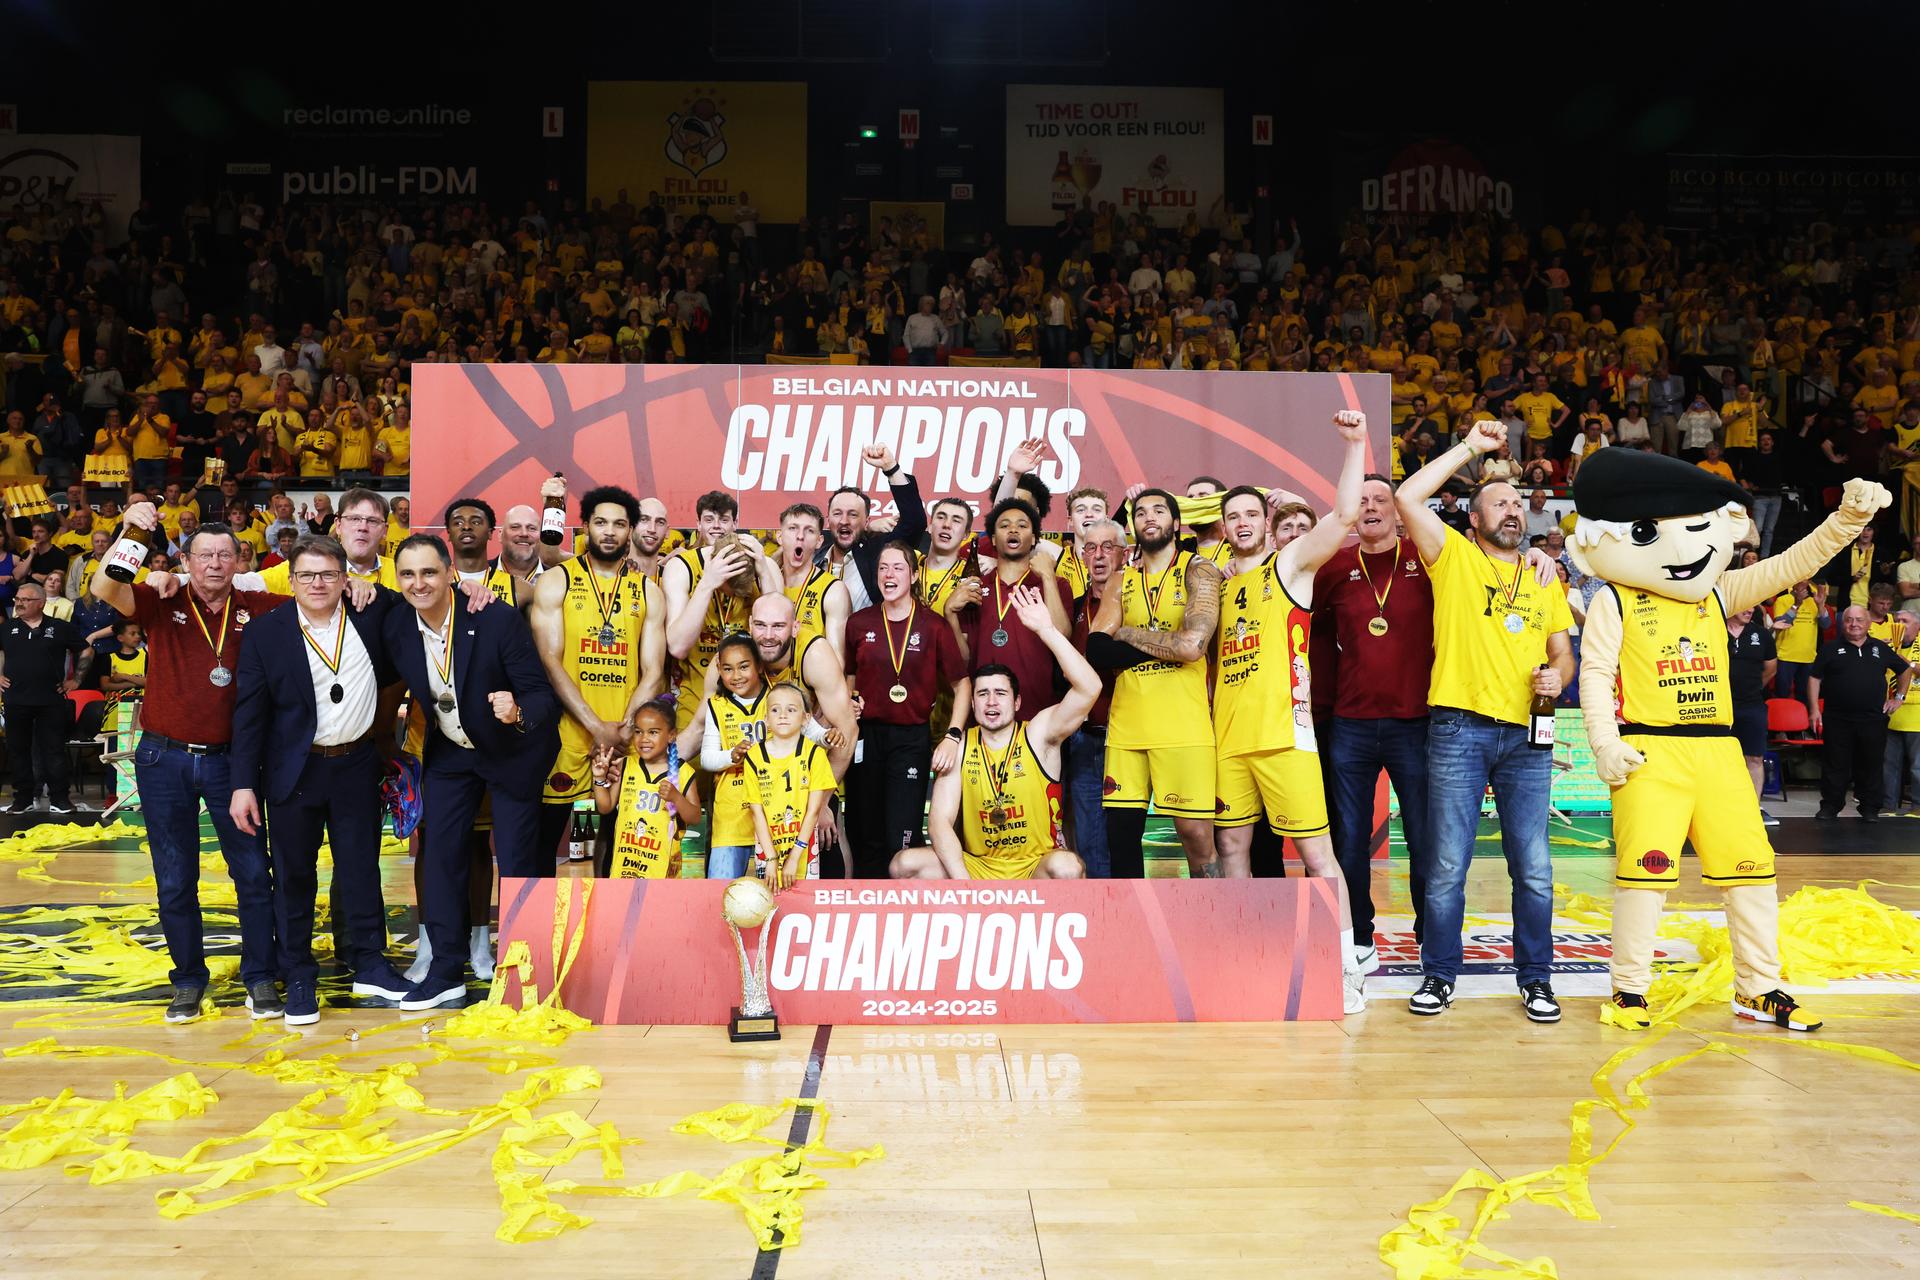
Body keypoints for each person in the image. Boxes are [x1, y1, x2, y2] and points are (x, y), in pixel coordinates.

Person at [1573, 459, 1892, 1035]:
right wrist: (1604, 741)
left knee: (1752, 877)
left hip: (1719, 750)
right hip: (1652, 751)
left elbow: (1795, 561)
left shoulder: (1720, 591)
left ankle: (1759, 989)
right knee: (1644, 880)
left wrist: (1847, 520)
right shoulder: (1614, 600)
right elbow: (1595, 674)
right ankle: (1628, 988)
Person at [1395, 419, 1576, 1023]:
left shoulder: (1544, 575)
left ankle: (1537, 979)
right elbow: (1406, 498)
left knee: (1534, 867)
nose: (1512, 510)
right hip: (1459, 728)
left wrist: (1558, 677)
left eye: (1517, 504)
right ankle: (1439, 975)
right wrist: (1473, 449)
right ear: (1473, 519)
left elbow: (1561, 652)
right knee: (1448, 863)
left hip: (1529, 734)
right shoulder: (1454, 557)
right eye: (1498, 502)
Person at [90, 504, 291, 1023]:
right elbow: (103, 591)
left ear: (239, 559)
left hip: (234, 766)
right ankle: (187, 980)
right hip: (164, 757)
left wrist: (357, 587)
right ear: (188, 559)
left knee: (252, 872)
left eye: (226, 554)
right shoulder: (162, 599)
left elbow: (320, 599)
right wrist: (132, 535)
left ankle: (261, 977)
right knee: (175, 877)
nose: (215, 564)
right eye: (205, 555)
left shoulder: (258, 605)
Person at [1211, 414, 1369, 1011]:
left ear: (1268, 525)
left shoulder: (1290, 568)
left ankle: (1347, 962)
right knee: (1233, 851)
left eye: (1254, 514)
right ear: (1225, 528)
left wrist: (1354, 445)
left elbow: (1345, 517)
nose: (1244, 522)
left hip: (1286, 737)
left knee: (1316, 856)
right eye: (1235, 516)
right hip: (1230, 742)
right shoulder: (1218, 586)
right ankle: (1249, 956)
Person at [228, 535, 412, 1025]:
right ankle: (300, 972)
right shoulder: (267, 633)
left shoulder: (369, 615)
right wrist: (242, 784)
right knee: (294, 878)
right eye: (307, 574)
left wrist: (376, 589)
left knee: (360, 871)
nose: (317, 583)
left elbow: (414, 600)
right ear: (290, 581)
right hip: (295, 770)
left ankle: (371, 962)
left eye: (328, 574)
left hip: (355, 765)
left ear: (344, 577)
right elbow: (249, 716)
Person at [379, 534, 559, 1009]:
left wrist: (516, 709)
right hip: (451, 752)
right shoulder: (396, 620)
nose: (419, 583)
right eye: (408, 575)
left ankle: (524, 968)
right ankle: (445, 969)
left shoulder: (493, 618)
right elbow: (347, 600)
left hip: (511, 749)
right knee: (438, 852)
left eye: (430, 572)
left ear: (450, 575)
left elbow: (541, 696)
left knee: (517, 859)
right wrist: (357, 590)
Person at [892, 584, 1096, 880]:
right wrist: (966, 886)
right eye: (983, 694)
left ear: (1017, 702)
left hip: (1033, 866)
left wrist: (1047, 630)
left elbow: (1090, 688)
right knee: (905, 865)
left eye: (1000, 693)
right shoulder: (960, 746)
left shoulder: (1038, 734)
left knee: (1067, 866)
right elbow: (938, 822)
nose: (991, 701)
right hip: (978, 867)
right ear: (972, 702)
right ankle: (958, 922)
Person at [1088, 488, 1224, 878]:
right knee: (1122, 837)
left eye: (1159, 510)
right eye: (1141, 512)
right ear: (1133, 527)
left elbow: (1194, 645)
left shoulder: (1199, 569)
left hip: (1184, 726)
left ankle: (1208, 918)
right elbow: (1097, 650)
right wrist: (1170, 643)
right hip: (1127, 729)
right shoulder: (1120, 580)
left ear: (1176, 523)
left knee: (1195, 835)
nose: (1149, 517)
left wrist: (1128, 633)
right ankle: (1134, 931)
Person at [529, 486, 667, 863]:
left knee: (621, 846)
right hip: (567, 735)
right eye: (601, 522)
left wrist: (624, 728)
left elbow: (653, 671)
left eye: (619, 524)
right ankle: (538, 924)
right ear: (585, 526)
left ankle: (614, 924)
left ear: (631, 531)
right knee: (543, 843)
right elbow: (549, 660)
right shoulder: (558, 580)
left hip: (625, 738)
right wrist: (597, 727)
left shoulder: (648, 591)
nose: (609, 531)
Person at [843, 541, 969, 876]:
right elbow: (848, 675)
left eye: (898, 567)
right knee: (863, 829)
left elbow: (962, 684)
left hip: (911, 739)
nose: (889, 574)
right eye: (883, 567)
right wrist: (849, 703)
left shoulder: (933, 625)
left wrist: (953, 735)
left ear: (913, 575)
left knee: (901, 832)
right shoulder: (859, 623)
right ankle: (866, 910)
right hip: (865, 737)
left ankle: (897, 910)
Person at [683, 634, 775, 880]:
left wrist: (826, 736)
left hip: (774, 811)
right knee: (720, 891)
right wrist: (731, 755)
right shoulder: (717, 705)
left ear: (759, 665)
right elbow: (707, 759)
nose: (736, 675)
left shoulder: (778, 699)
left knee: (777, 892)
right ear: (718, 670)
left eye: (744, 667)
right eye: (727, 669)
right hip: (731, 815)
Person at [1809, 606, 1913, 823]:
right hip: (1837, 718)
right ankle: (1830, 806)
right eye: (1849, 620)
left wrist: (1898, 698)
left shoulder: (1880, 648)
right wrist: (1814, 709)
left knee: (1871, 764)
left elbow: (1904, 670)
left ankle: (1870, 808)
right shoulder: (1829, 649)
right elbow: (1814, 678)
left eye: (1858, 620)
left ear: (1868, 623)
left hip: (1872, 719)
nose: (1854, 624)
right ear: (1842, 623)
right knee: (1835, 765)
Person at [1065, 518, 1126, 876]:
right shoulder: (1072, 609)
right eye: (1090, 548)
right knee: (1087, 839)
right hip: (1087, 736)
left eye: (1108, 547)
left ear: (1124, 554)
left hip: (1132, 734)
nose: (1099, 555)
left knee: (1126, 835)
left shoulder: (1141, 602)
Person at [0, 582, 92, 816]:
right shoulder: (7, 627)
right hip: (16, 699)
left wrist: (77, 681)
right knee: (18, 750)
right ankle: (23, 799)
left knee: (53, 751)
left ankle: (59, 799)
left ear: (41, 603)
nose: (19, 603)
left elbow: (86, 650)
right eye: (17, 599)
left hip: (50, 700)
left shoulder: (60, 627)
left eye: (25, 600)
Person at [742, 683, 838, 888]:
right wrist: (770, 859)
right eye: (775, 709)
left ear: (806, 718)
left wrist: (794, 858)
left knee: (802, 904)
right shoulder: (753, 757)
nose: (783, 715)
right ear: (766, 719)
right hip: (767, 846)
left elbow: (813, 812)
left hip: (803, 847)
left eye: (791, 709)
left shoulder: (815, 755)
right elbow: (756, 812)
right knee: (768, 900)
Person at [591, 700, 700, 879]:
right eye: (638, 732)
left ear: (671, 735)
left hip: (662, 871)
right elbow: (605, 807)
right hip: (625, 867)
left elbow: (695, 817)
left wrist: (676, 798)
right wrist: (599, 778)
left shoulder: (683, 772)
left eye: (653, 732)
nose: (644, 739)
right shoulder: (625, 765)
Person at [820, 444, 927, 611]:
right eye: (837, 513)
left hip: (862, 636)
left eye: (853, 514)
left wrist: (891, 468)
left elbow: (915, 522)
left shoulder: (877, 552)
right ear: (827, 521)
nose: (844, 520)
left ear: (866, 522)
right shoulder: (814, 558)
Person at [1726, 605, 1779, 827]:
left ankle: (1753, 808)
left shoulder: (1762, 635)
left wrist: (1752, 689)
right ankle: (1721, 808)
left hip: (1751, 705)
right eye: (1744, 606)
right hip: (1718, 707)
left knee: (1755, 758)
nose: (1750, 610)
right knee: (1719, 760)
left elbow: (1770, 669)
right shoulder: (1713, 628)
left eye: (1752, 607)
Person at [1884, 611, 1920, 814]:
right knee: (1889, 764)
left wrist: (1905, 661)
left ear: (1917, 626)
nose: (1899, 624)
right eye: (1897, 620)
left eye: (1905, 621)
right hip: (1890, 713)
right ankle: (1888, 805)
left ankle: (1918, 805)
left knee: (1917, 765)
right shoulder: (1887, 644)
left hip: (1917, 714)